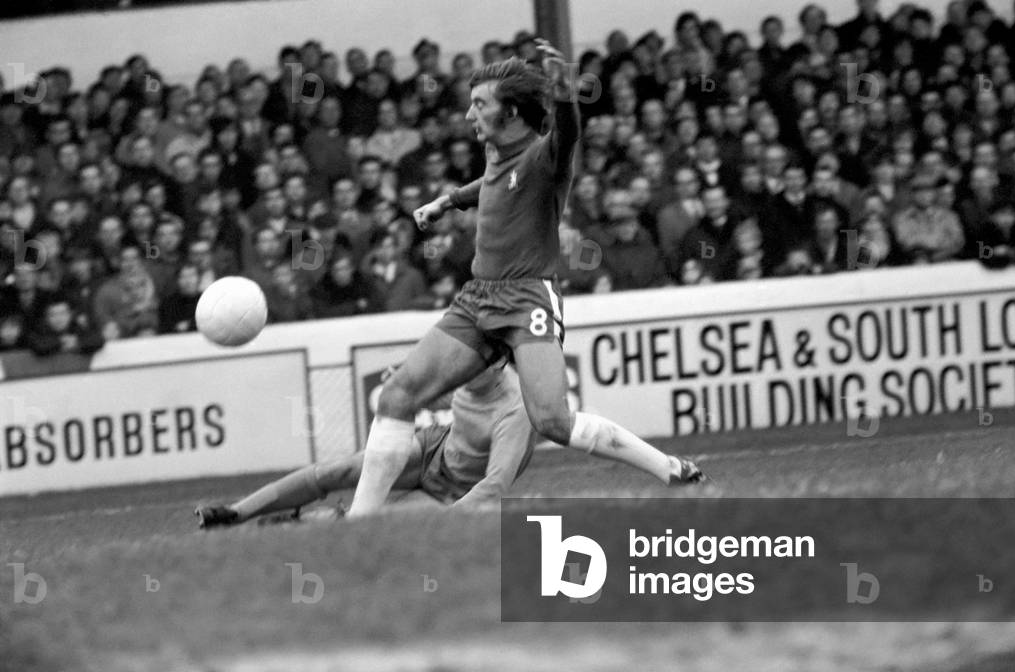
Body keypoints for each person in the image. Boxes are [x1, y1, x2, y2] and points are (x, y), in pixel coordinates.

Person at [349, 43, 700, 518]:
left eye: (480, 104)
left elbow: (570, 135)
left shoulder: (543, 158)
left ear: (511, 111)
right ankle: (358, 524)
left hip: (527, 300)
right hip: (477, 299)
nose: (469, 112)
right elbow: (492, 185)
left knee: (552, 420)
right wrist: (448, 201)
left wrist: (565, 94)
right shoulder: (498, 153)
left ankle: (670, 470)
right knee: (396, 395)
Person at [194, 361, 703, 528]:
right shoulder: (463, 367)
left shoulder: (517, 411)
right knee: (337, 471)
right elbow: (408, 381)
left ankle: (296, 526)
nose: (460, 360)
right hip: (432, 449)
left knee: (362, 525)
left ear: (499, 359)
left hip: (450, 492)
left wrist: (447, 523)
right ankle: (234, 515)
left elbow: (496, 484)